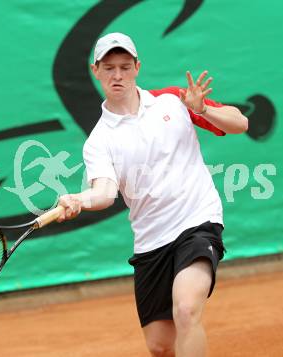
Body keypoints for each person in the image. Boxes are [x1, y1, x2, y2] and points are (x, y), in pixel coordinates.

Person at [56, 32, 248, 357]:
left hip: (197, 221)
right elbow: (102, 193)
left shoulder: (173, 101)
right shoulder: (99, 141)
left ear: (137, 68)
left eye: (125, 67)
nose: (118, 75)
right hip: (151, 241)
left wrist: (204, 110)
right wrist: (79, 199)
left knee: (186, 310)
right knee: (159, 346)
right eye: (109, 68)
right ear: (95, 70)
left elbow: (240, 123)